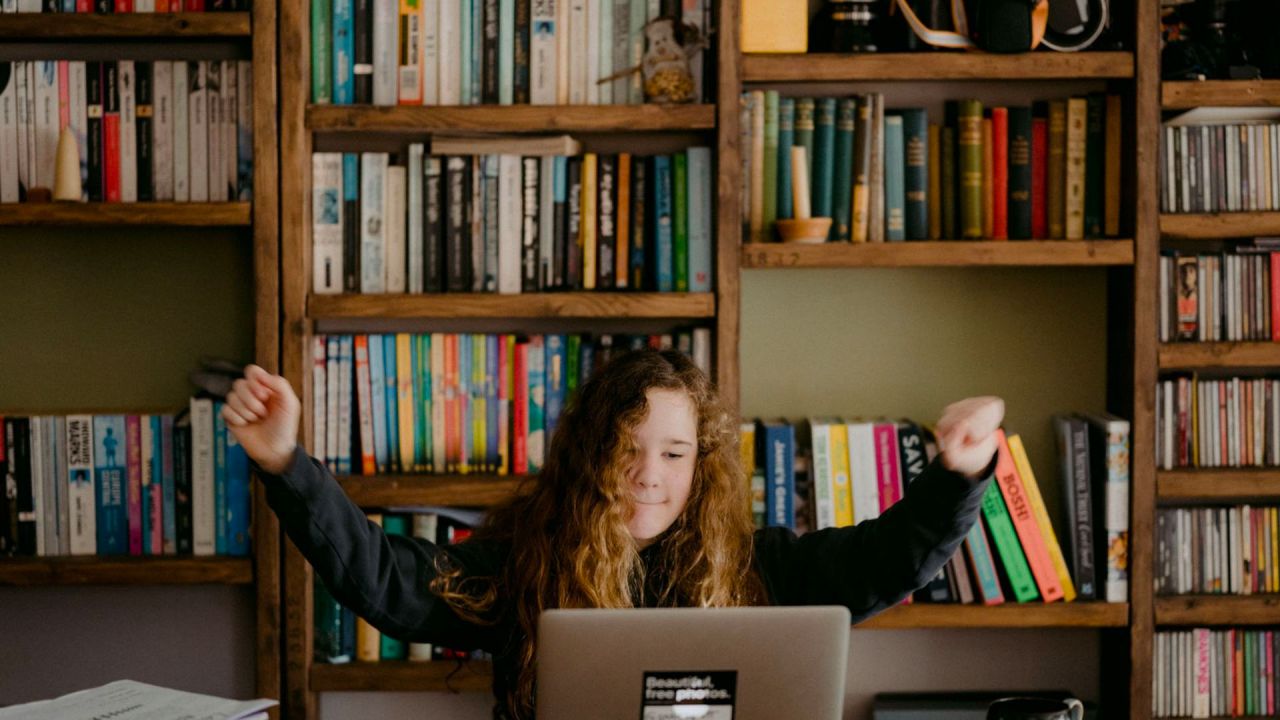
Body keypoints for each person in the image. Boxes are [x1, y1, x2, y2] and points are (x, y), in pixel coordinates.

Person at [224, 349, 1003, 720]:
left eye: (672, 453)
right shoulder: (528, 566)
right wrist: (287, 464)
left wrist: (959, 476)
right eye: (625, 450)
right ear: (591, 457)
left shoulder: (762, 568)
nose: (649, 475)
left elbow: (883, 562)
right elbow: (385, 579)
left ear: (700, 467)